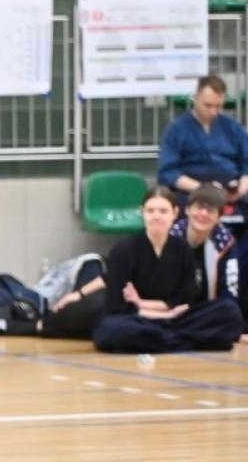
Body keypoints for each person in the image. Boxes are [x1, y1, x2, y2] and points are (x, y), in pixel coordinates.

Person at [92, 186, 245, 352]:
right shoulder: (125, 248)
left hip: (177, 317)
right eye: (151, 211)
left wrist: (156, 308)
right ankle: (188, 341)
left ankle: (164, 340)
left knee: (229, 313)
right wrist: (156, 312)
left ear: (174, 213)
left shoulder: (188, 248)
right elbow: (116, 305)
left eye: (163, 211)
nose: (157, 216)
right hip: (138, 317)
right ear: (142, 212)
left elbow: (184, 299)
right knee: (111, 330)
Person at [157, 74, 248, 215]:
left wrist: (243, 186)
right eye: (208, 105)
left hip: (231, 190)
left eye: (218, 106)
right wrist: (203, 189)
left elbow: (246, 162)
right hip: (191, 192)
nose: (213, 111)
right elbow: (168, 172)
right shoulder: (176, 130)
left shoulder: (233, 127)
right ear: (196, 97)